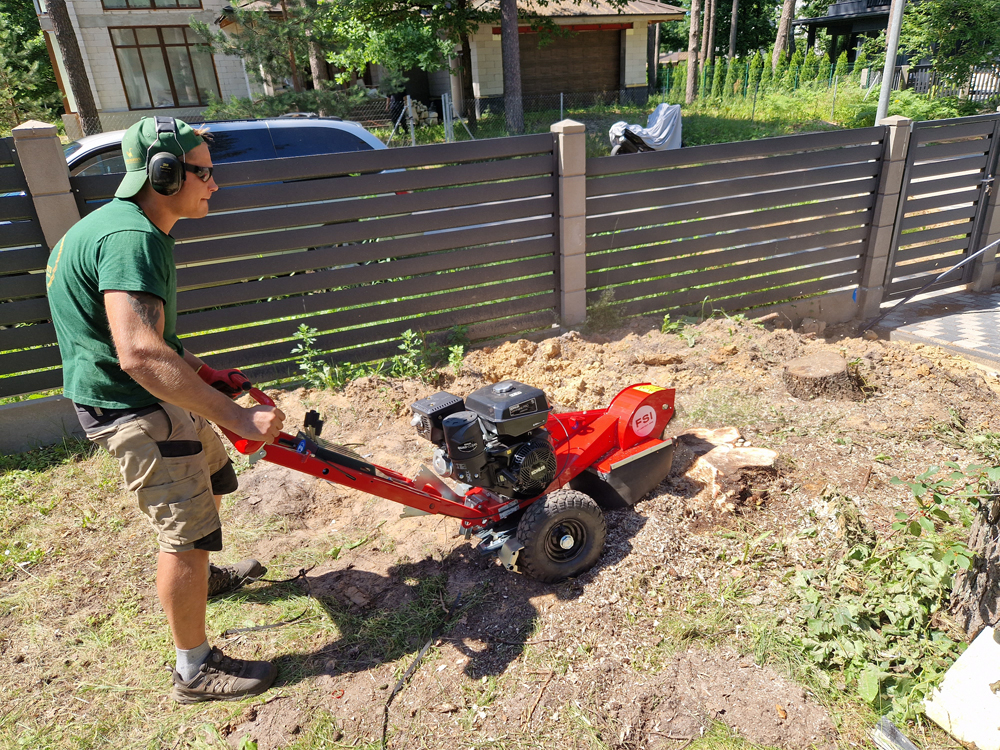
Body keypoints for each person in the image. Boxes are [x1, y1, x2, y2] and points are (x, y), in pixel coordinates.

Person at [45, 116, 286, 703]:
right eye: (205, 173)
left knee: (212, 480)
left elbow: (147, 339)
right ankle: (193, 669)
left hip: (156, 395)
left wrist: (204, 376)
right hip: (136, 407)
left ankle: (206, 577)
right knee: (184, 535)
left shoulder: (116, 225)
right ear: (165, 173)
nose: (215, 185)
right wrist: (239, 418)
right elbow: (138, 354)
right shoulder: (133, 240)